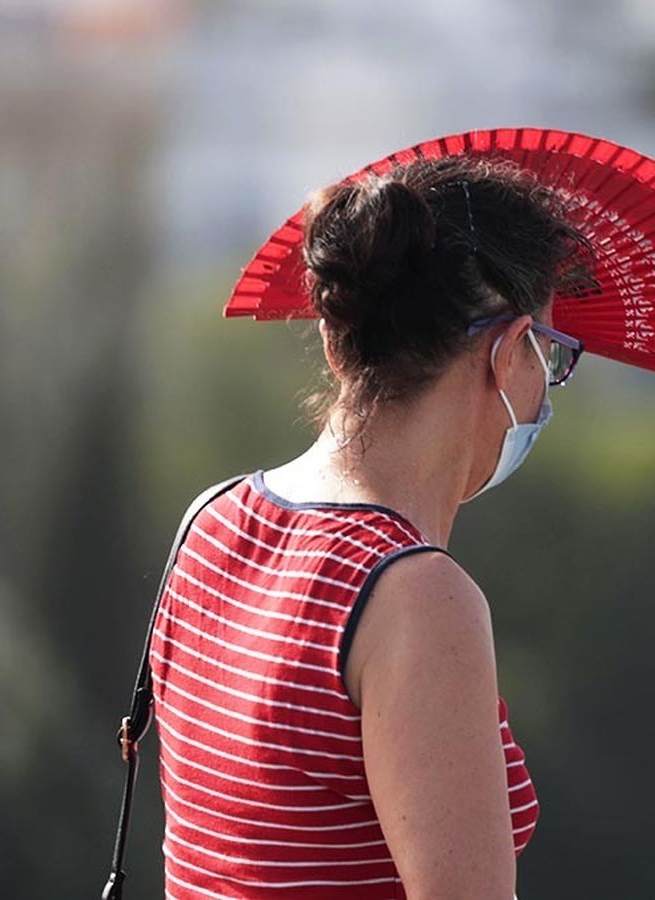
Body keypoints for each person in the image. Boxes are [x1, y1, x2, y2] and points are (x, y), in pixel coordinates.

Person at [147, 155, 590, 899]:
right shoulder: (419, 600)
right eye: (550, 356)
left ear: (335, 339)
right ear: (508, 351)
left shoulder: (209, 525)